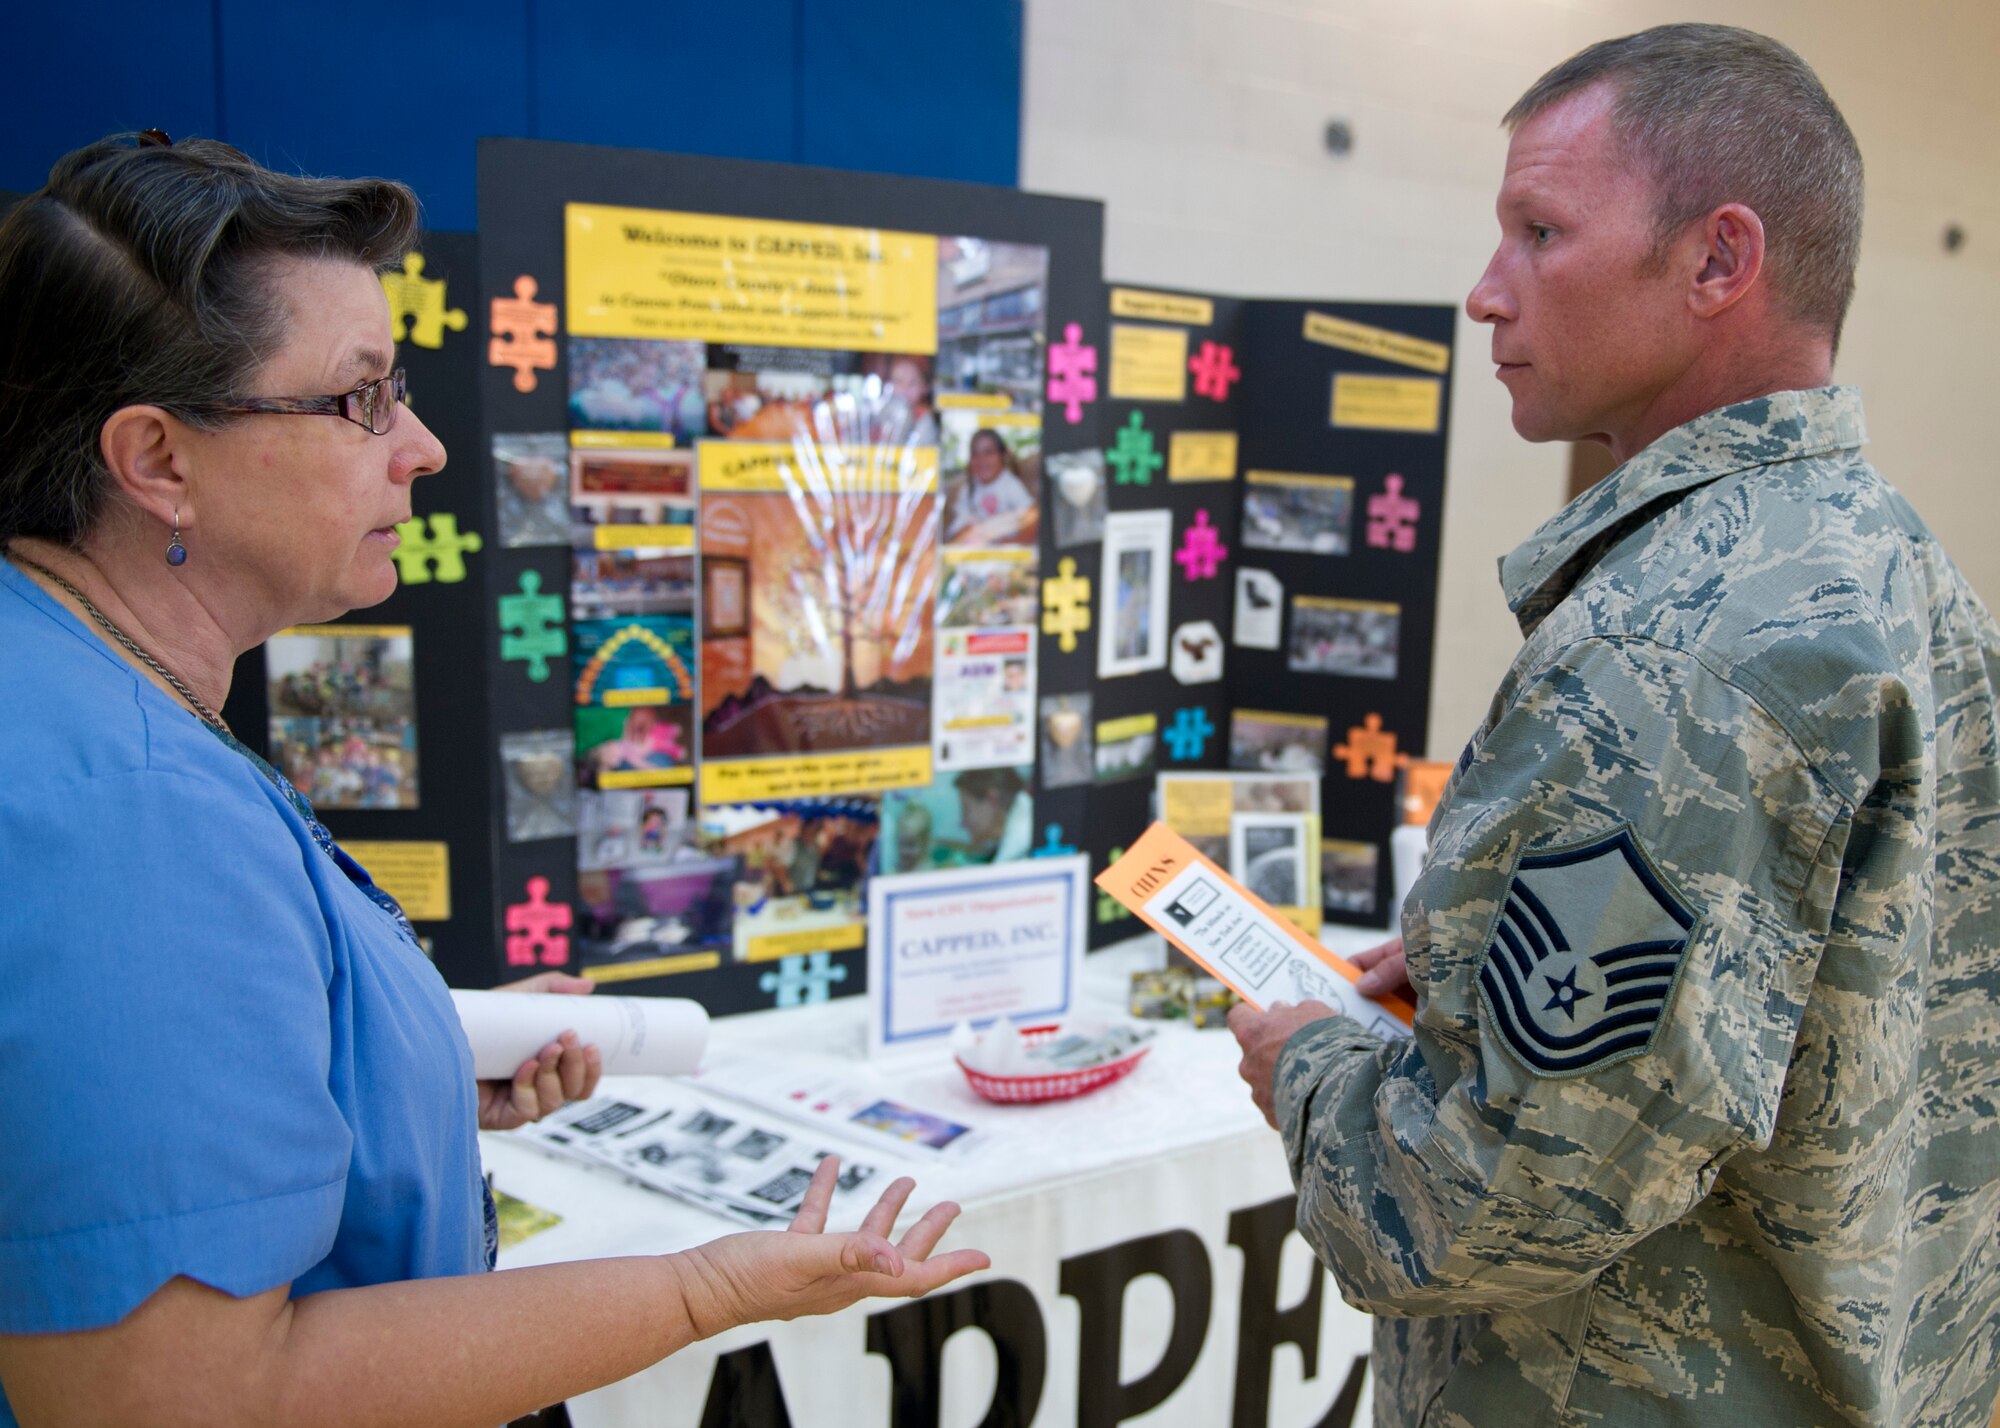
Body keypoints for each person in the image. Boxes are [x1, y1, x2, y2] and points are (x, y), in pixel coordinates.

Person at [0, 134, 986, 1428]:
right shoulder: (124, 809)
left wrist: (394, 1077)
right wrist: (705, 1291)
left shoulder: (65, 688)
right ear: (160, 461)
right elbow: (184, 1400)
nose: (420, 445)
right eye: (358, 399)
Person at [1229, 25, 2000, 1426]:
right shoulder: (1892, 561)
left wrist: (1310, 1069)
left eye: (1539, 231)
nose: (1484, 294)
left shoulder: (1675, 647)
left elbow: (1494, 1204)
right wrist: (1474, 962)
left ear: (1718, 262)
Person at [945, 427, 1035, 544]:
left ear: (1002, 456)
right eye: (975, 454)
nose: (982, 460)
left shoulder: (1010, 485)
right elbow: (958, 530)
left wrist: (1014, 543)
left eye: (988, 453)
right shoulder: (968, 488)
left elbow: (1031, 517)